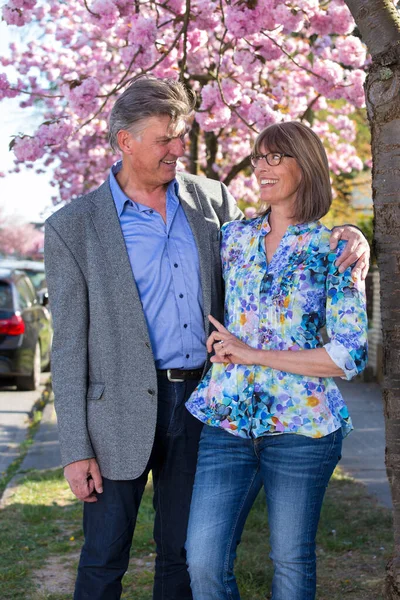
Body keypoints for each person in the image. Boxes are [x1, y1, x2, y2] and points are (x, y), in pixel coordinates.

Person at [44, 76, 369, 600]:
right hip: (118, 410)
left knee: (183, 555)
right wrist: (75, 448)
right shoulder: (72, 226)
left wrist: (353, 237)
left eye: (182, 136)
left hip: (201, 403)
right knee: (104, 556)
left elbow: (280, 244)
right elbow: (66, 345)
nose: (180, 149)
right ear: (125, 141)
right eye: (165, 139)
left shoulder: (210, 201)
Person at [185, 121, 369, 600]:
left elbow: (349, 354)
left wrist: (252, 353)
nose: (261, 167)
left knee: (290, 563)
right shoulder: (232, 238)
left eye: (275, 157)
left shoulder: (335, 249)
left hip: (303, 428)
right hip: (225, 421)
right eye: (258, 157)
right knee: (202, 559)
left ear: (304, 167)